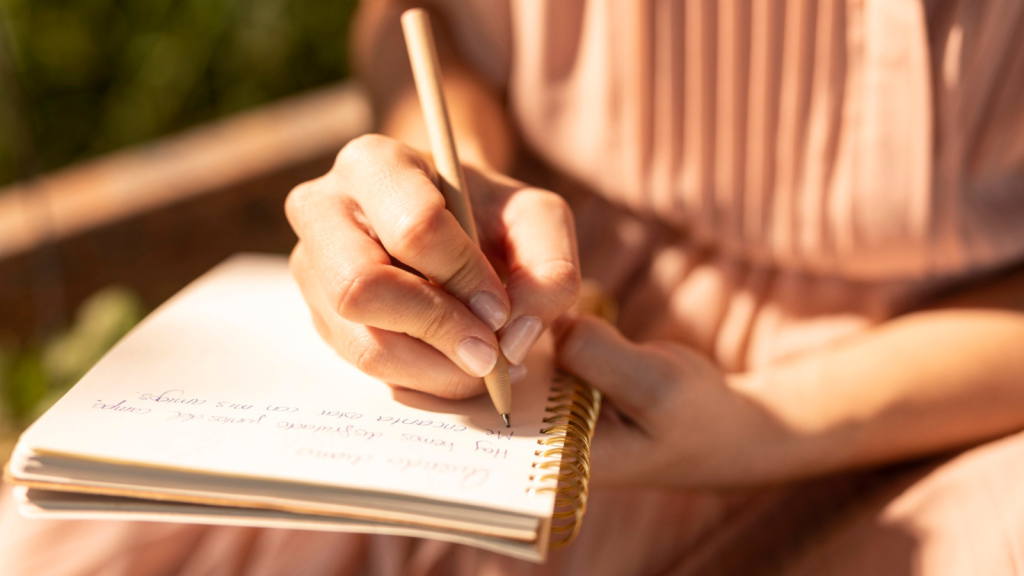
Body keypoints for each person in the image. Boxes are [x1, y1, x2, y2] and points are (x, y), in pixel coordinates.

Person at [4, 0, 1024, 574]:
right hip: (550, 286)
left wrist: (768, 427)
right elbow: (419, 25)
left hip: (944, 389)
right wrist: (440, 191)